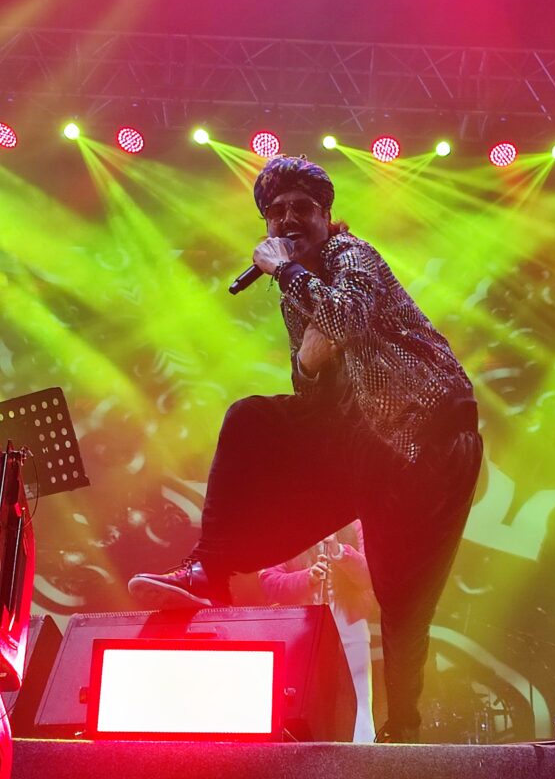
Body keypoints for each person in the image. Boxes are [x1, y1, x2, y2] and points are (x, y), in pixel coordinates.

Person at [128, 155, 483, 743]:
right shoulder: (297, 292)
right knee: (250, 418)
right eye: (276, 213)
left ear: (325, 216)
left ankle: (403, 733)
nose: (289, 219)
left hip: (427, 439)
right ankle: (207, 569)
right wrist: (310, 368)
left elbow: (347, 316)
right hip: (359, 438)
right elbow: (311, 389)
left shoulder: (352, 255)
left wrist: (287, 272)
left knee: (402, 600)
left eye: (302, 209)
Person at [259, 521, 377, 743]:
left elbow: (369, 576)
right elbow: (269, 582)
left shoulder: (355, 525)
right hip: (304, 629)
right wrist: (308, 578)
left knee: (358, 702)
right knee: (307, 702)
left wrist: (340, 553)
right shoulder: (286, 525)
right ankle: (306, 756)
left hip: (350, 622)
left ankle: (361, 756)